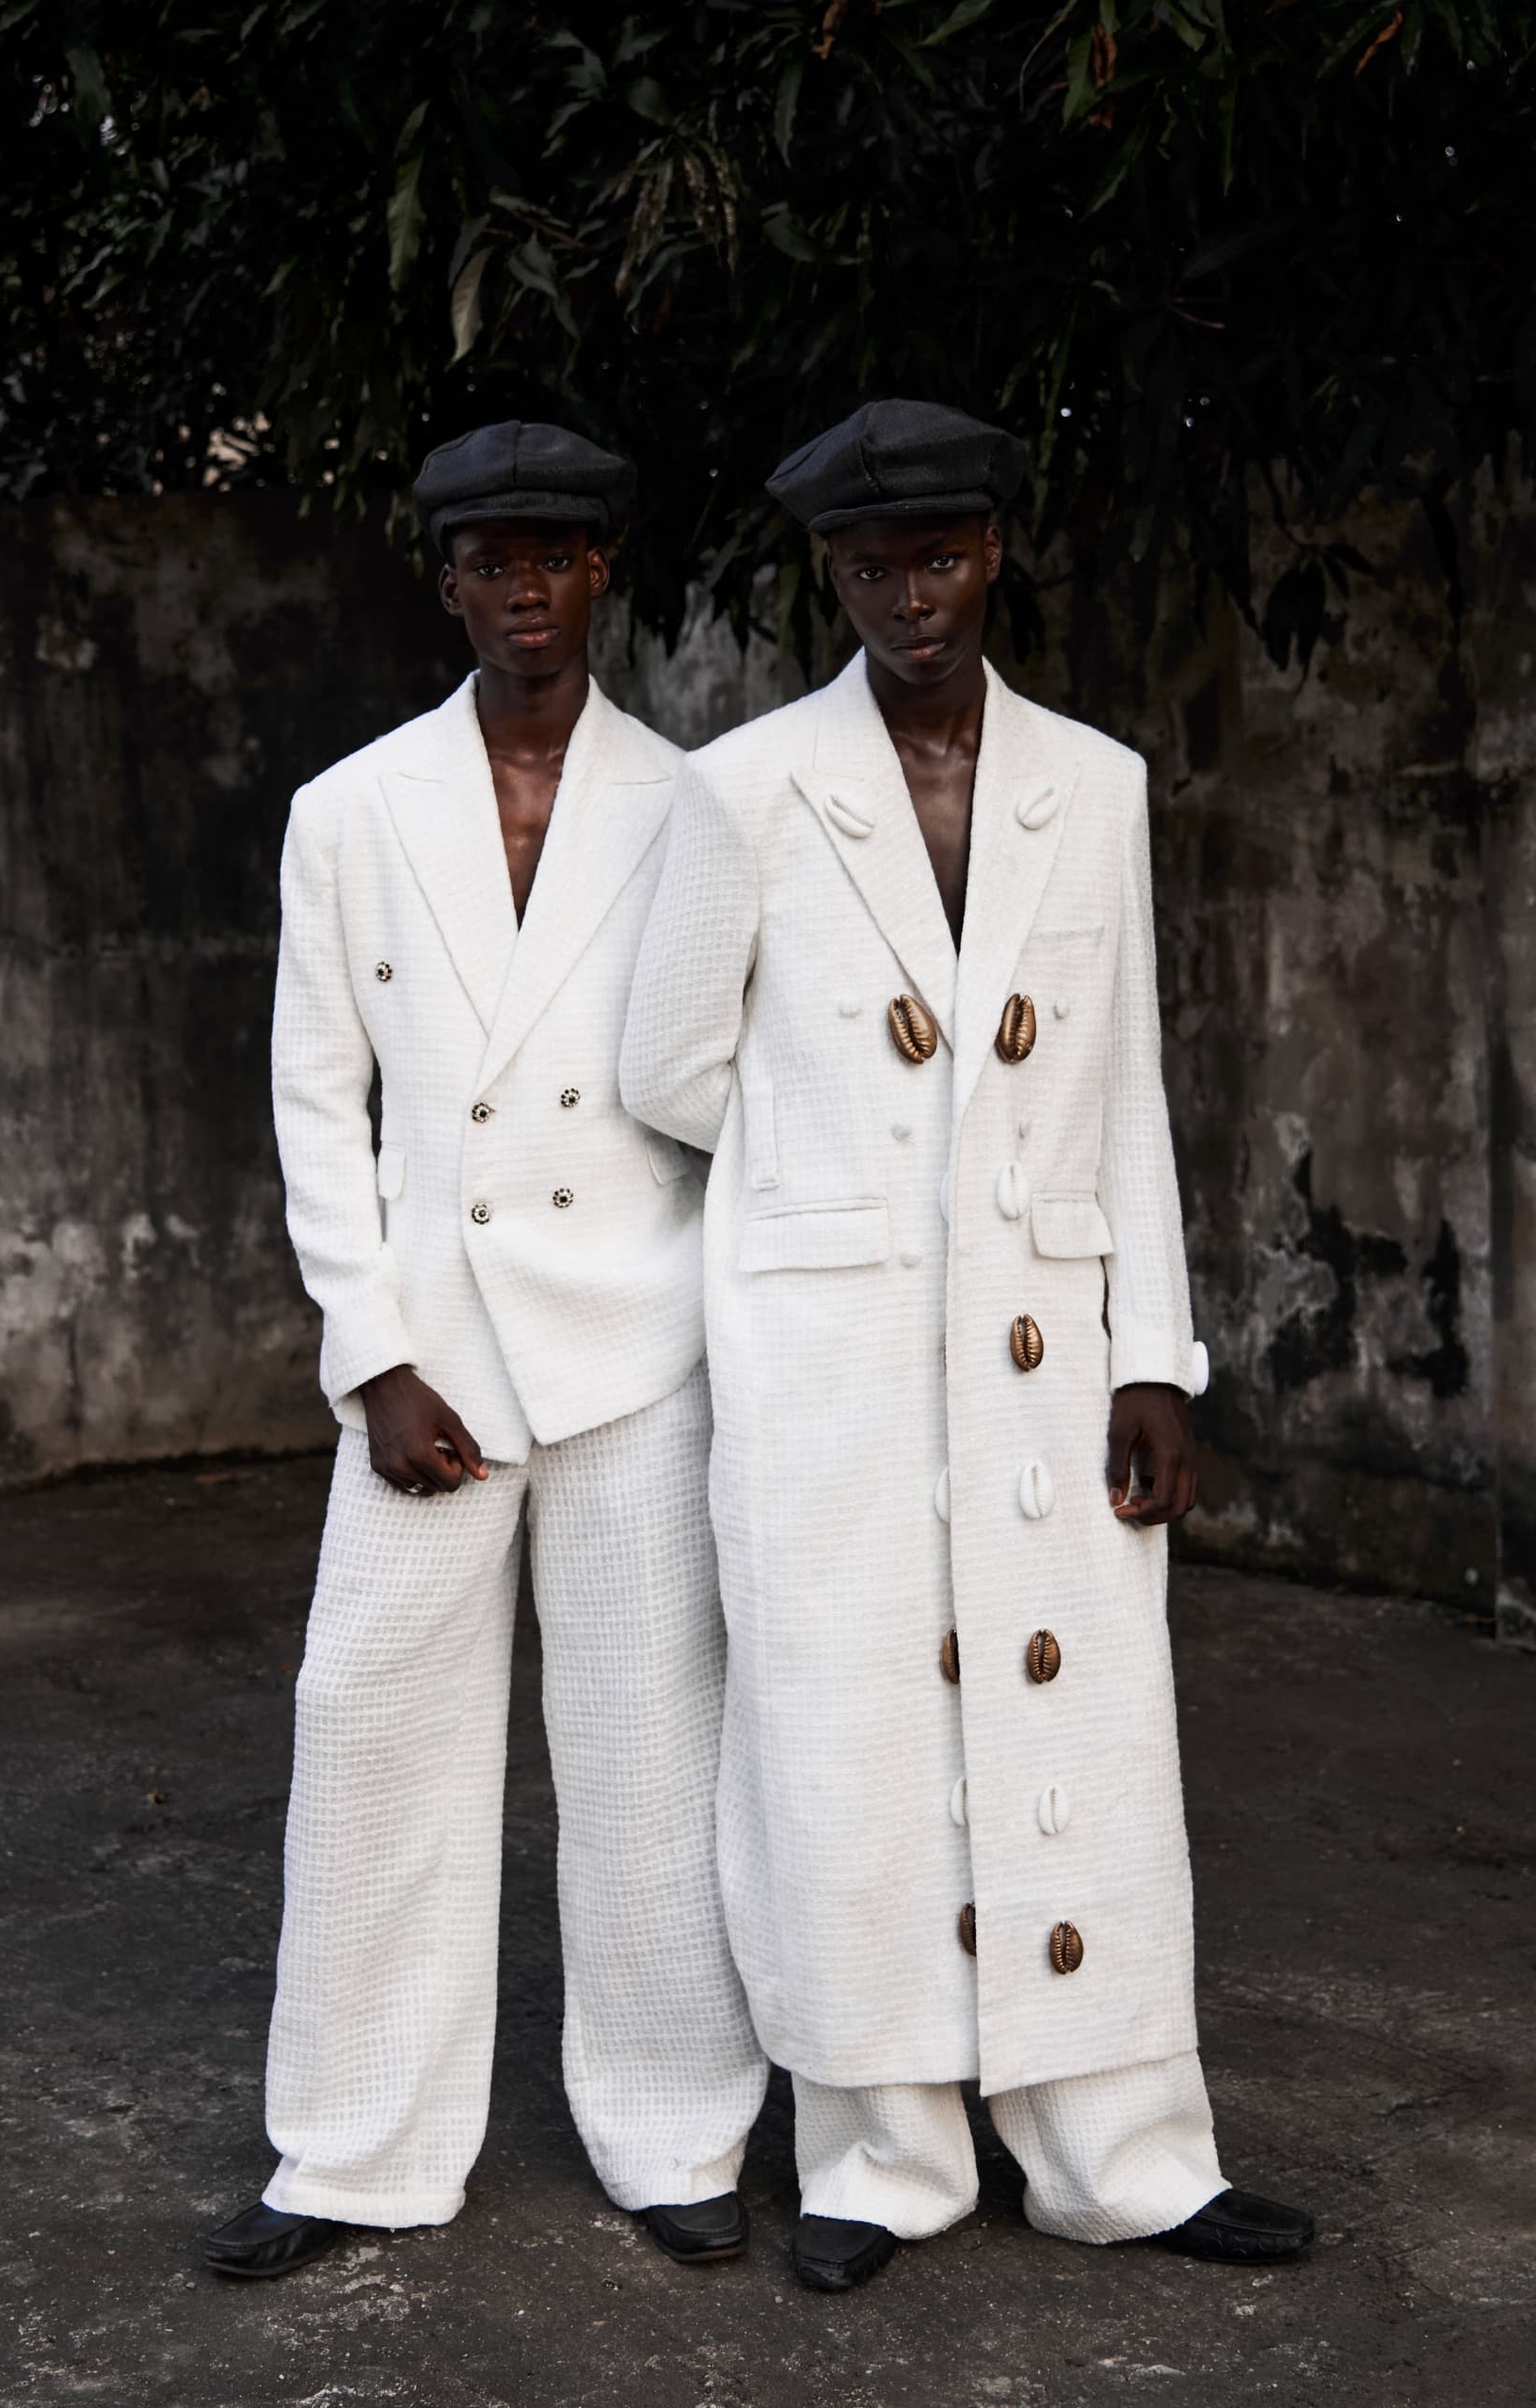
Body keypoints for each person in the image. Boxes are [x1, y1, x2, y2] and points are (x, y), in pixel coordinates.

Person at [620, 398, 1313, 2292]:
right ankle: (880, 2157)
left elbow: (1123, 1085)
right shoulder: (744, 788)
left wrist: (1152, 1352)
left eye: (936, 558)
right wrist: (855, 1181)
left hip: (1040, 1350)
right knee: (842, 1738)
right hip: (830, 1354)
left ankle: (1122, 2157)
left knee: (1075, 1728)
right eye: (868, 569)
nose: (906, 598)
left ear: (993, 552)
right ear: (827, 577)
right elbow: (668, 1068)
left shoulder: (1092, 782)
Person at [204, 421, 765, 2281]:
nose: (527, 589)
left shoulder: (695, 800)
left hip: (637, 1338)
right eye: (492, 559)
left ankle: (674, 2131)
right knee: (369, 1733)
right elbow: (316, 1098)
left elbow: (724, 1085)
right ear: (444, 580)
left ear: (602, 572)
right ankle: (352, 2149)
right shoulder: (352, 809)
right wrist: (369, 1355)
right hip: (429, 1356)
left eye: (557, 556)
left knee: (651, 1754)